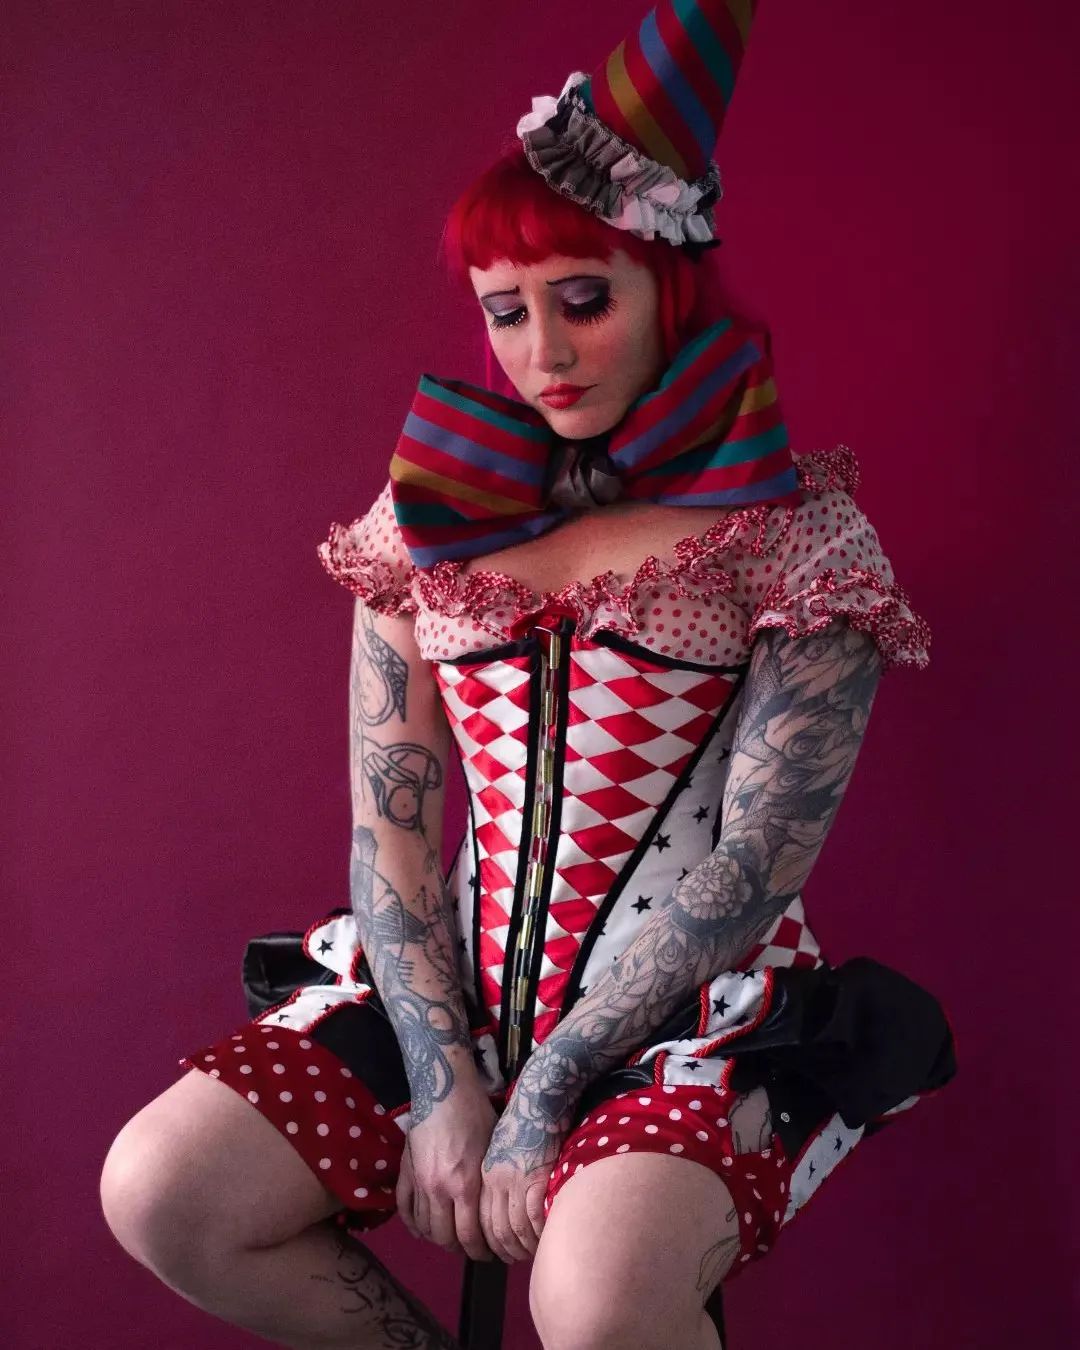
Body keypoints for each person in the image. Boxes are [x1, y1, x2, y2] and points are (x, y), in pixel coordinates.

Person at [100, 4, 957, 1349]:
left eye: (583, 301)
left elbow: (752, 867)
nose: (542, 353)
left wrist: (547, 1090)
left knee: (596, 1303)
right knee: (163, 1187)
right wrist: (448, 1080)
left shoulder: (790, 537)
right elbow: (392, 826)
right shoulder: (431, 521)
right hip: (452, 1003)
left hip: (685, 1018)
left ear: (669, 289)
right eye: (507, 310)